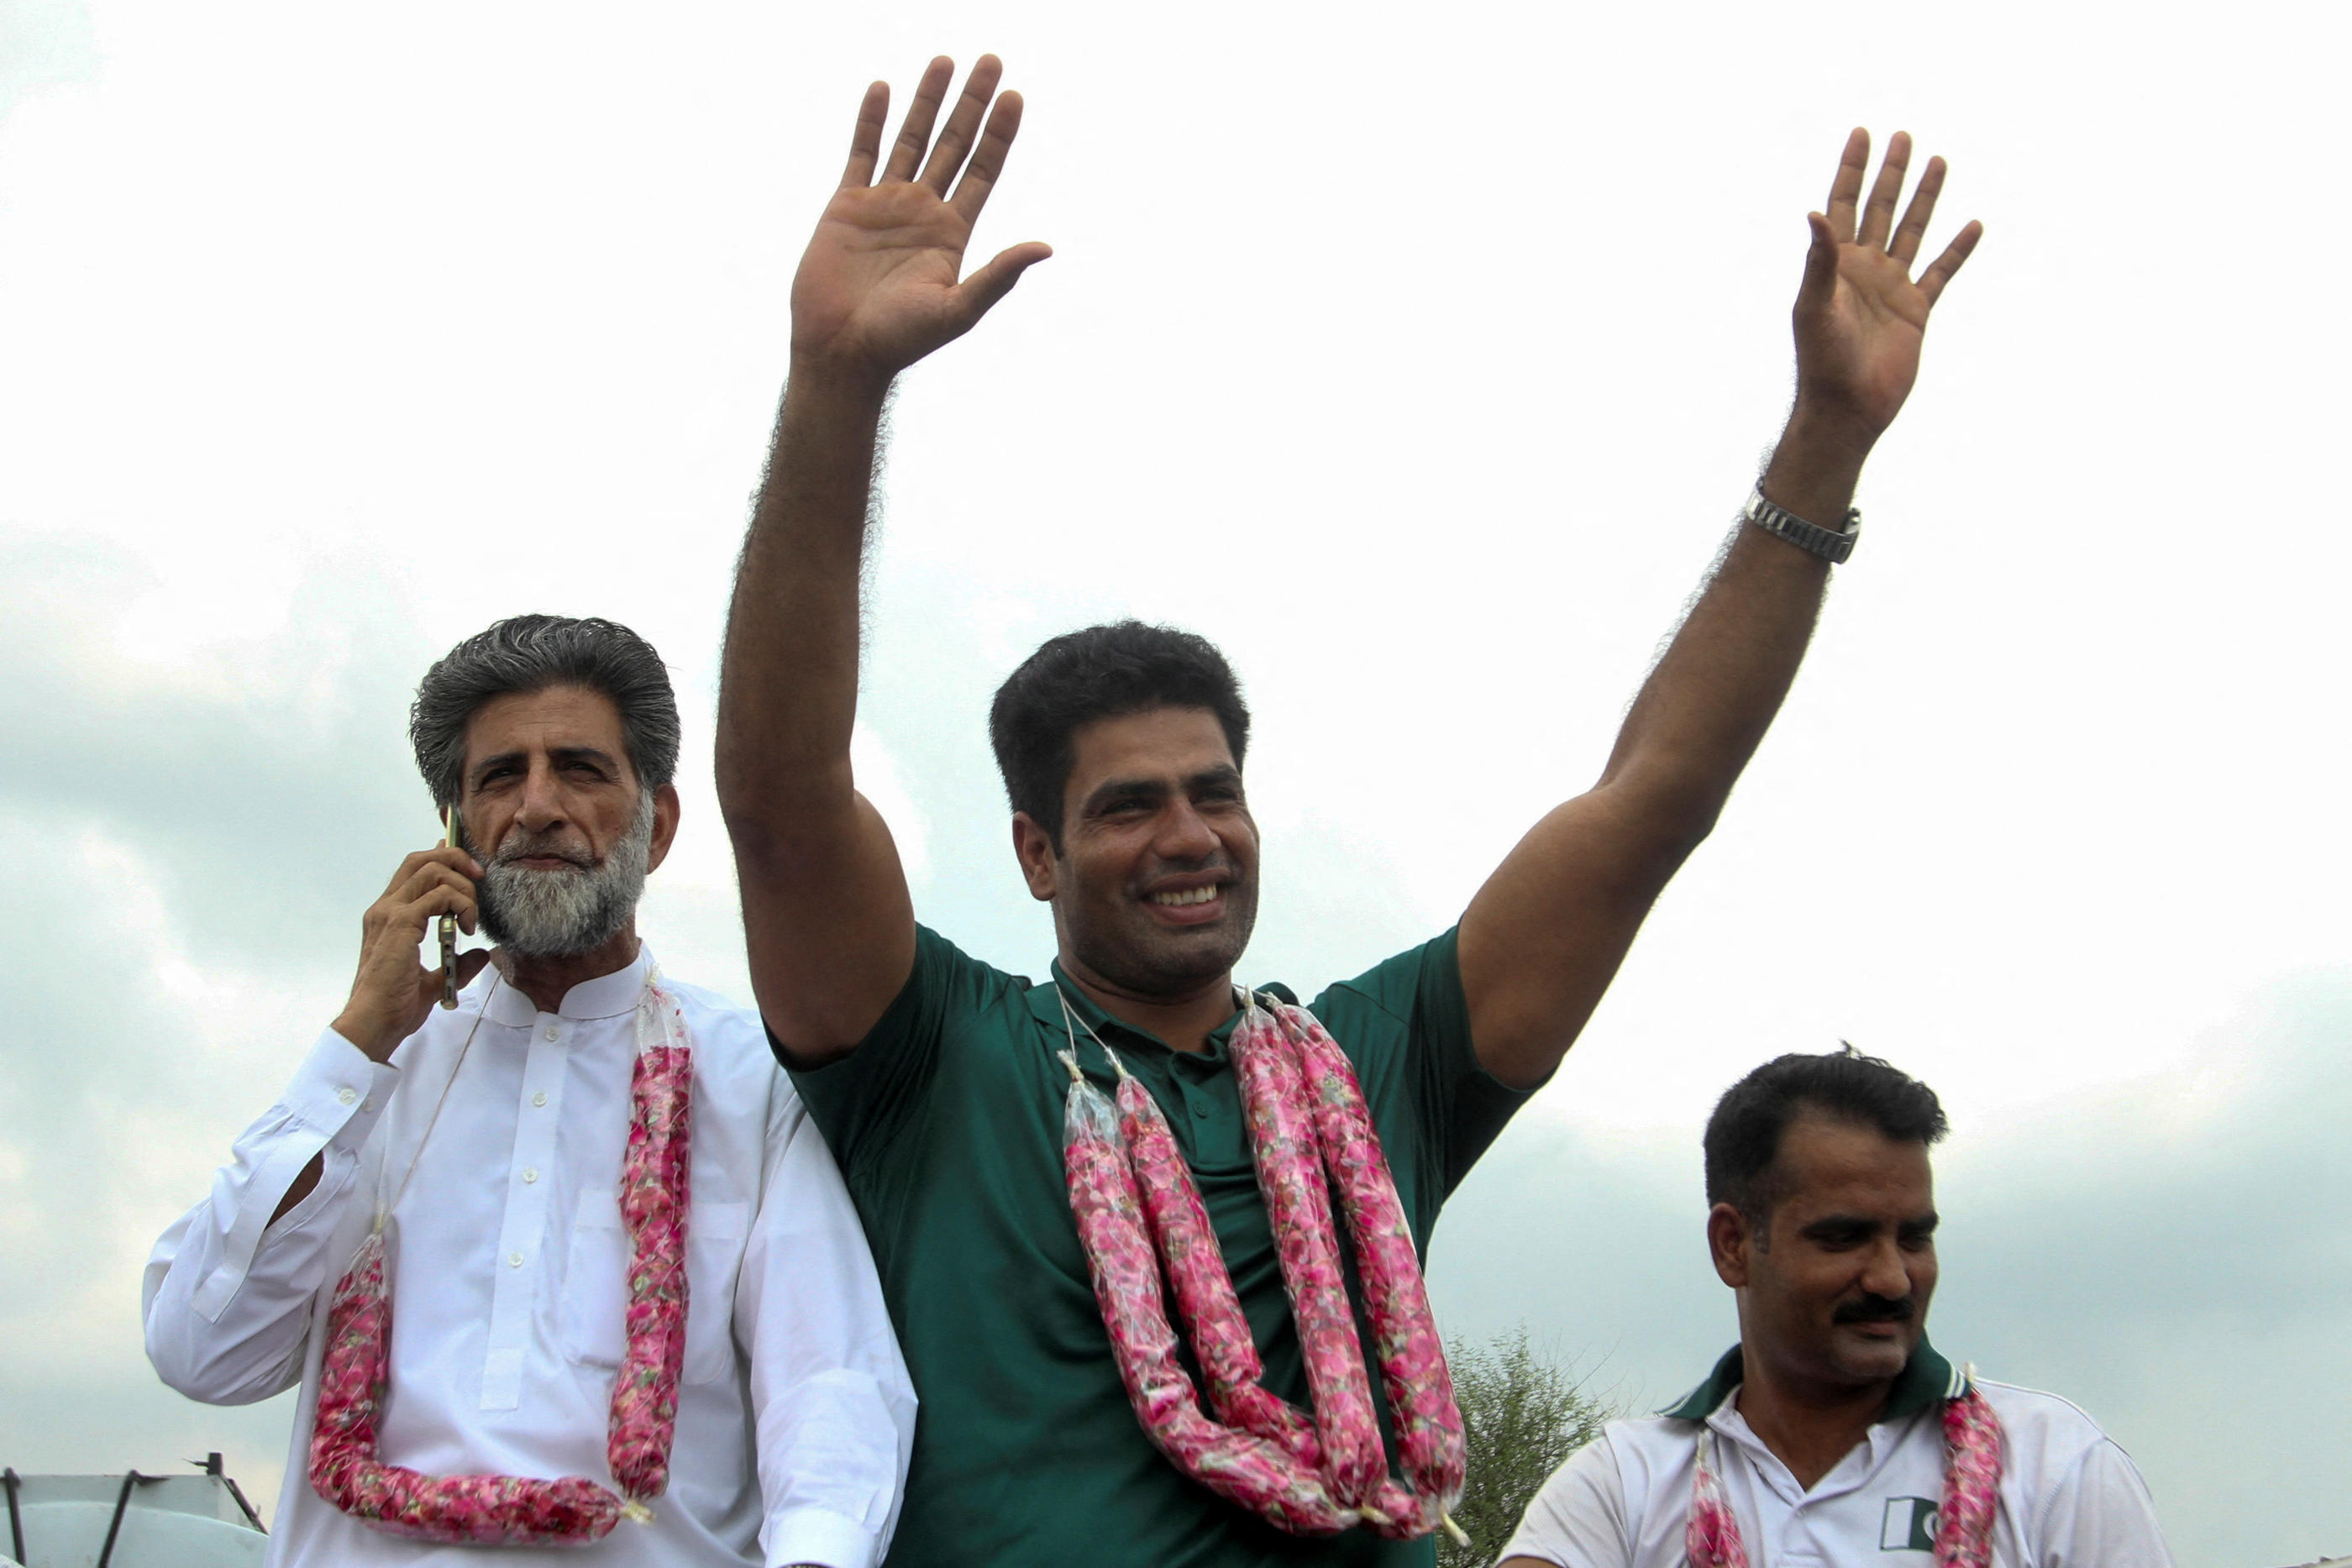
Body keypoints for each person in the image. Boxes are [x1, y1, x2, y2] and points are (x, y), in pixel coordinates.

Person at [717, 53, 1981, 1568]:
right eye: (1128, 807)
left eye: (1215, 791)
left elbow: (1653, 801)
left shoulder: (1385, 1063)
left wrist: (1824, 447)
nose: (1189, 833)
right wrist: (837, 384)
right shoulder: (935, 1058)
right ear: (1034, 852)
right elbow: (785, 802)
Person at [143, 615, 916, 1568]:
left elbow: (829, 1379)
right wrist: (357, 1044)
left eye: (581, 770)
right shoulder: (371, 1077)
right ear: (456, 830)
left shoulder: (749, 1074)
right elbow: (204, 1353)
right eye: (500, 776)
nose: (538, 807)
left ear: (657, 825)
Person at [1499, 1050, 2176, 1568]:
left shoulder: (2056, 1464)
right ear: (1733, 1245)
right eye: (1844, 1236)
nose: (1891, 1277)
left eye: (1914, 1236)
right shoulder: (1627, 1484)